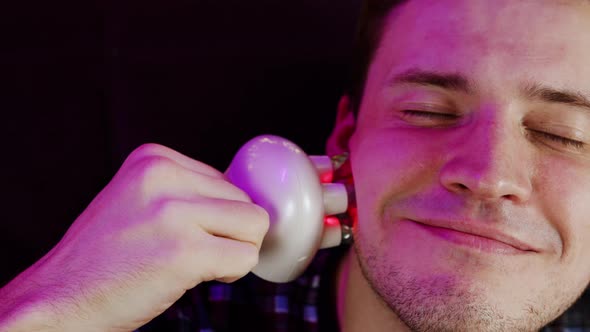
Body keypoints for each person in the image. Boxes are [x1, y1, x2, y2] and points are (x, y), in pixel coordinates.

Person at [2, 0, 590, 330]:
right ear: (345, 138)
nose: (489, 174)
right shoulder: (169, 315)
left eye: (563, 135)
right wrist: (47, 313)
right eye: (428, 112)